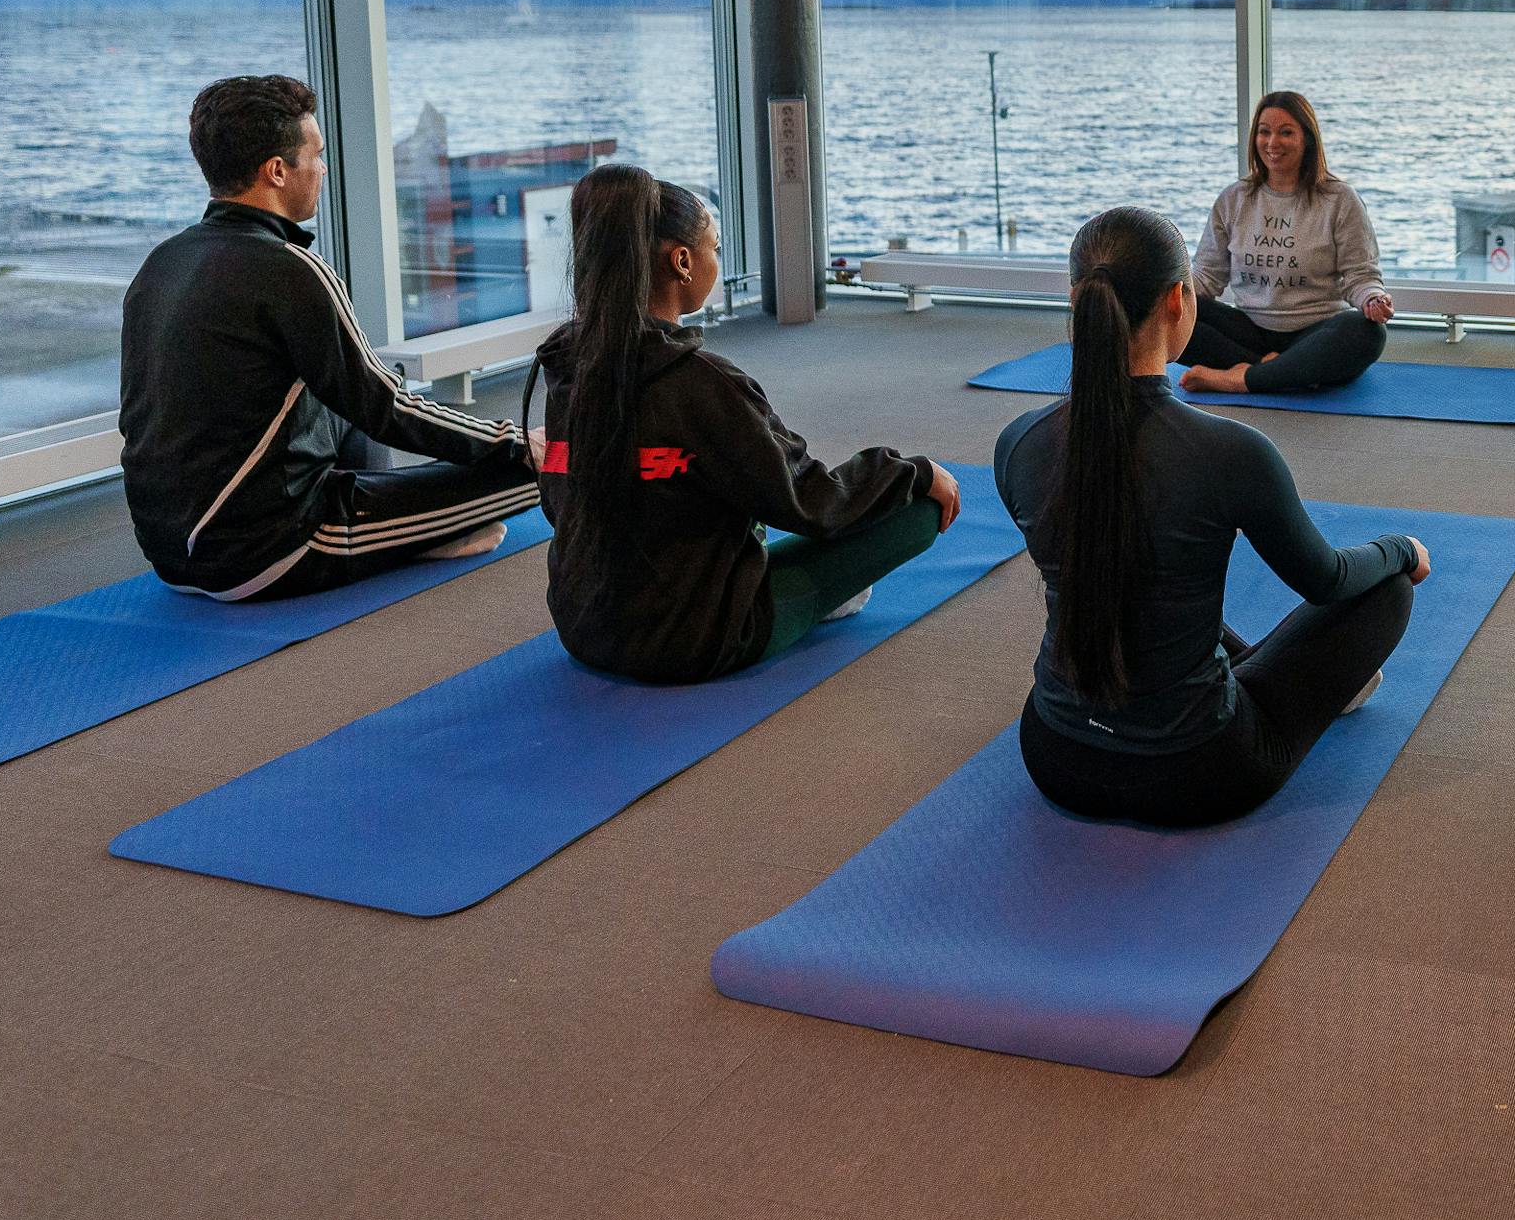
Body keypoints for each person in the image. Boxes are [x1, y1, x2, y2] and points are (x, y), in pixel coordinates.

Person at [999, 205, 1426, 827]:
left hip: (1056, 756)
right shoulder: (1230, 452)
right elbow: (1326, 579)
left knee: (1140, 580)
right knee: (1385, 592)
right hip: (1200, 772)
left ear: (1075, 302)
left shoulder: (1018, 441)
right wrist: (1400, 550)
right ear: (1180, 300)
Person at [527, 163, 962, 685]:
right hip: (692, 641)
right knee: (914, 512)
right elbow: (810, 501)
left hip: (583, 627)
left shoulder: (566, 366)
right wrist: (912, 473)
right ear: (682, 262)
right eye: (713, 246)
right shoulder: (702, 383)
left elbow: (560, 501)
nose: (717, 257)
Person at [119, 74, 538, 599]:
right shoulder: (289, 270)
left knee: (350, 380)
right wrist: (519, 442)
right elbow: (389, 410)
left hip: (168, 549)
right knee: (537, 470)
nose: (322, 168)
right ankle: (397, 536)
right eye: (314, 155)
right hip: (264, 550)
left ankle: (388, 524)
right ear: (276, 171)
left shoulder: (165, 260)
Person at [1181, 90, 1394, 397]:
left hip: (1314, 331)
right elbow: (1207, 276)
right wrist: (1165, 297)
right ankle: (1280, 371)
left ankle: (1239, 379)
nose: (1272, 143)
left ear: (1307, 139)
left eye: (1285, 132)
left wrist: (1373, 299)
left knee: (1367, 333)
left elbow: (1360, 276)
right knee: (1173, 313)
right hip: (1248, 331)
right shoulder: (1234, 198)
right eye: (1264, 132)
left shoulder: (1340, 199)